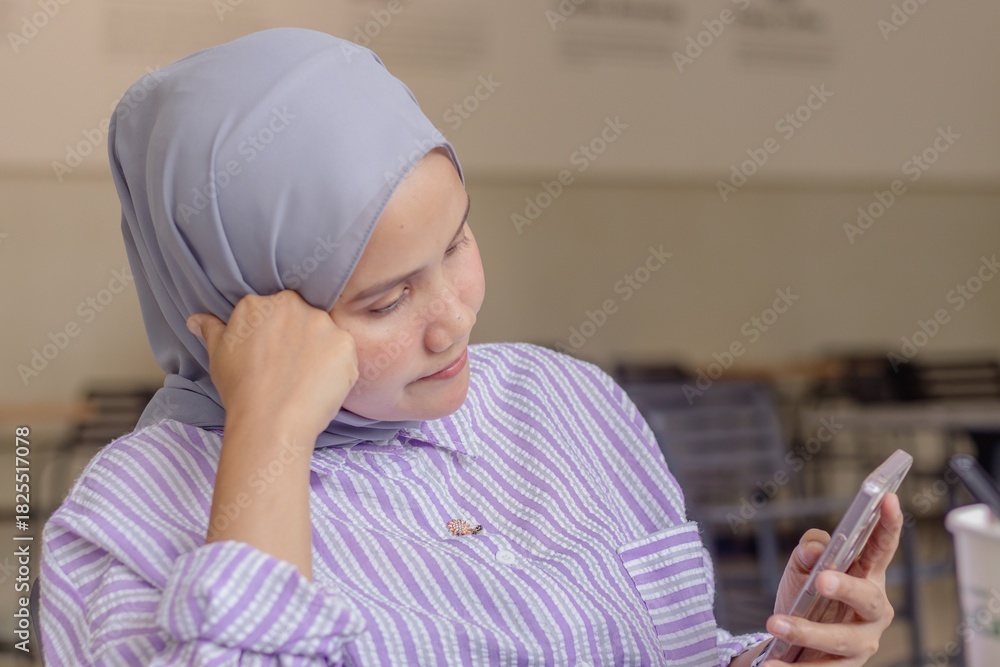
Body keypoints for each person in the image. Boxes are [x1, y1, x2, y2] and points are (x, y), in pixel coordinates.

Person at [38, 27, 901, 666]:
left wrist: (771, 656)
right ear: (238, 312)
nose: (453, 321)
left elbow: (677, 649)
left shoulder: (561, 400)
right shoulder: (129, 516)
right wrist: (268, 435)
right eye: (383, 301)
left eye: (455, 244)